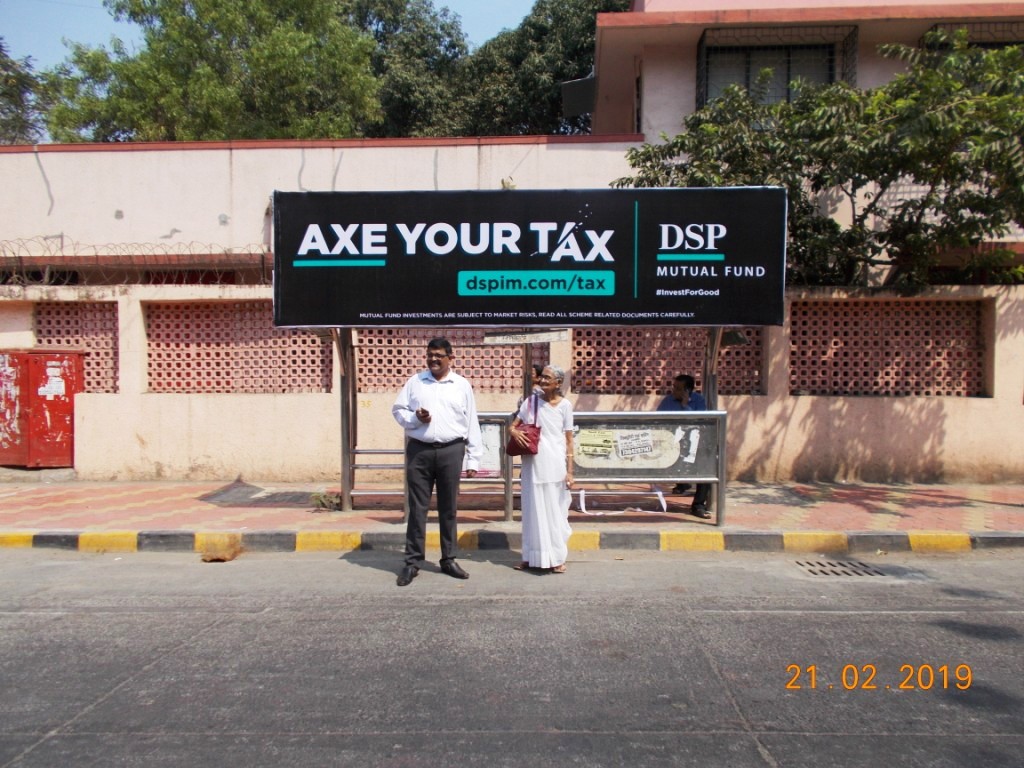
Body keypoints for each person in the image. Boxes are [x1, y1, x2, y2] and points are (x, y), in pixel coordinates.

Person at [392, 337, 483, 587]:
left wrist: (473, 459)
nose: (433, 359)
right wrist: (416, 418)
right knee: (417, 508)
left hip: (451, 451)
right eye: (430, 355)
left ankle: (448, 559)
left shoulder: (461, 385)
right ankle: (412, 562)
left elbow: (471, 421)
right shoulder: (415, 382)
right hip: (419, 451)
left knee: (448, 508)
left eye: (438, 355)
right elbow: (398, 410)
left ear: (450, 358)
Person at [508, 364, 574, 573]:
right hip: (533, 463)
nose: (543, 381)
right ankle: (530, 556)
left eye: (548, 378)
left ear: (558, 382)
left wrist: (570, 471)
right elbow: (513, 425)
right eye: (542, 377)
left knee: (555, 512)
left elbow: (569, 440)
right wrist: (514, 432)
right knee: (532, 510)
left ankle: (557, 558)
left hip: (555, 465)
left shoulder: (565, 406)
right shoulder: (530, 402)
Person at [657, 374, 711, 519]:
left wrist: (685, 406)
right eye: (674, 387)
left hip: (693, 444)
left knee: (707, 466)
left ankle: (698, 505)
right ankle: (682, 483)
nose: (674, 390)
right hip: (671, 444)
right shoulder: (668, 401)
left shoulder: (698, 401)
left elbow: (700, 421)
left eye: (678, 388)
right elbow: (657, 420)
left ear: (688, 390)